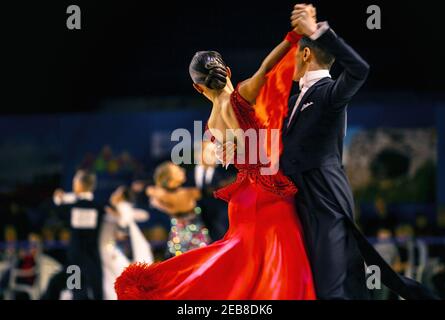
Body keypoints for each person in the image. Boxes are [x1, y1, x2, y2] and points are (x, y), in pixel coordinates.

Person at [114, 5, 317, 300]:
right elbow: (267, 68)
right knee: (279, 269)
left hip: (243, 201)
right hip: (269, 195)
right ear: (229, 72)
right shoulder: (242, 96)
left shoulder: (211, 122)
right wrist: (294, 36)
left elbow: (233, 153)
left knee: (245, 267)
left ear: (198, 87)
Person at [281, 5, 437, 299]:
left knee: (331, 290)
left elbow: (359, 69)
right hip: (296, 202)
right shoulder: (291, 102)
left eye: (292, 53)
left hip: (324, 201)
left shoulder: (329, 93)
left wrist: (317, 32)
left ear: (305, 54)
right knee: (315, 287)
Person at [42, 170, 104, 300]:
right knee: (97, 293)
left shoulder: (70, 207)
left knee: (76, 293)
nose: (73, 185)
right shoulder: (99, 208)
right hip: (93, 262)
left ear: (80, 185)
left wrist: (58, 200)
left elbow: (56, 209)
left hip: (75, 262)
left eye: (75, 182)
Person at [147, 161, 211, 257]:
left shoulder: (159, 194)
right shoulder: (186, 194)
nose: (182, 171)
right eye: (178, 171)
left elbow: (151, 191)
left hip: (183, 237)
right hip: (191, 240)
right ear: (169, 180)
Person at [101, 186, 154, 300]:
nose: (114, 194)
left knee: (119, 274)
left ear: (121, 197)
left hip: (111, 248)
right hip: (108, 247)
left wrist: (119, 219)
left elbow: (124, 222)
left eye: (117, 192)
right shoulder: (115, 208)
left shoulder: (122, 206)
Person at [184, 141, 234, 241]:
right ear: (199, 154)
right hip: (192, 232)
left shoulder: (227, 175)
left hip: (220, 229)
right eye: (210, 152)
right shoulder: (184, 175)